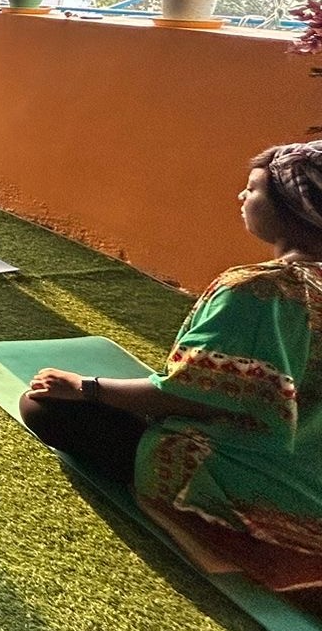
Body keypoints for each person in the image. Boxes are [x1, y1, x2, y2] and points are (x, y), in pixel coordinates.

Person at [20, 141, 322, 553]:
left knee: (42, 405)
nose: (242, 196)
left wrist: (84, 387)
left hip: (264, 483)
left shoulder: (259, 290)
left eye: (253, 190)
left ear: (290, 210)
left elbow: (195, 398)